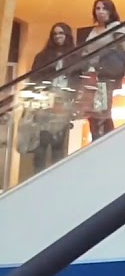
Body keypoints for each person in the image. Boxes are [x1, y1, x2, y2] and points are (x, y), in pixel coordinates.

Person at [28, 23, 81, 172]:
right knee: (41, 144)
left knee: (58, 144)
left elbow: (78, 80)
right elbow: (34, 78)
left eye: (61, 33)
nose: (58, 36)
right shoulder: (42, 56)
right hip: (45, 102)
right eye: (55, 34)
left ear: (67, 35)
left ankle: (57, 176)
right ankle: (38, 176)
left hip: (64, 103)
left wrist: (74, 100)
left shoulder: (75, 56)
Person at [83, 0, 125, 140]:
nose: (101, 11)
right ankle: (96, 138)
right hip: (91, 74)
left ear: (111, 11)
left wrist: (107, 56)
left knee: (102, 111)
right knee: (91, 111)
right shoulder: (94, 30)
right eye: (98, 8)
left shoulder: (116, 27)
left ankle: (105, 140)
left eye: (104, 8)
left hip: (105, 75)